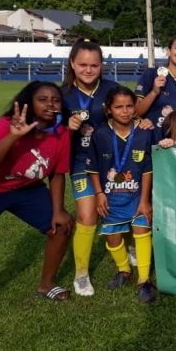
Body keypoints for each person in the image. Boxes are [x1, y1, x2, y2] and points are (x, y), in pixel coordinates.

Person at [0, 82, 73, 301]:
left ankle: (46, 285)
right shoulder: (7, 124)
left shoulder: (62, 132)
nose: (50, 104)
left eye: (55, 100)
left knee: (62, 226)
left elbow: (57, 174)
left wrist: (58, 211)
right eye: (42, 99)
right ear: (29, 103)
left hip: (26, 189)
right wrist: (13, 136)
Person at [60, 38, 125, 297]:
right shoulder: (62, 95)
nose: (88, 70)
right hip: (81, 163)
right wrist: (66, 127)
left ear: (101, 66)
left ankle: (127, 253)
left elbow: (127, 117)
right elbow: (48, 132)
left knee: (120, 210)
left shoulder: (112, 89)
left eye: (94, 65)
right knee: (88, 217)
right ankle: (81, 274)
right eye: (83, 65)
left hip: (112, 161)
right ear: (73, 64)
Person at [87, 86, 157, 304]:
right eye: (119, 107)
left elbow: (147, 169)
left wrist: (145, 200)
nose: (125, 111)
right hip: (111, 196)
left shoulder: (144, 133)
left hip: (138, 194)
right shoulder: (100, 134)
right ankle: (123, 270)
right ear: (109, 110)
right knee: (113, 236)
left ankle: (144, 280)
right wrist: (99, 194)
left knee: (142, 228)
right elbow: (94, 169)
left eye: (129, 106)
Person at [135, 34, 176, 129]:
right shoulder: (151, 74)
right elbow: (136, 112)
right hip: (154, 136)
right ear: (168, 51)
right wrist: (154, 92)